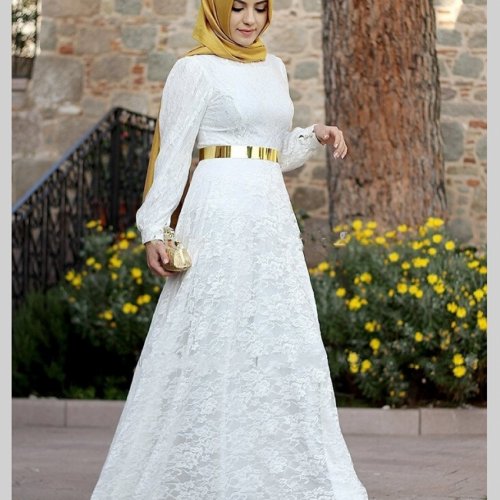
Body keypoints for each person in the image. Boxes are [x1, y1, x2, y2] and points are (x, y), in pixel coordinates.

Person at [90, 0, 369, 497]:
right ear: (216, 11)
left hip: (270, 214)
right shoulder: (193, 69)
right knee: (212, 331)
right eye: (236, 7)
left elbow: (272, 152)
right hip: (217, 208)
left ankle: (270, 473)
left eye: (259, 8)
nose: (248, 19)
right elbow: (174, 149)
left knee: (275, 336)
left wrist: (313, 135)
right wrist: (155, 226)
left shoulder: (274, 67)